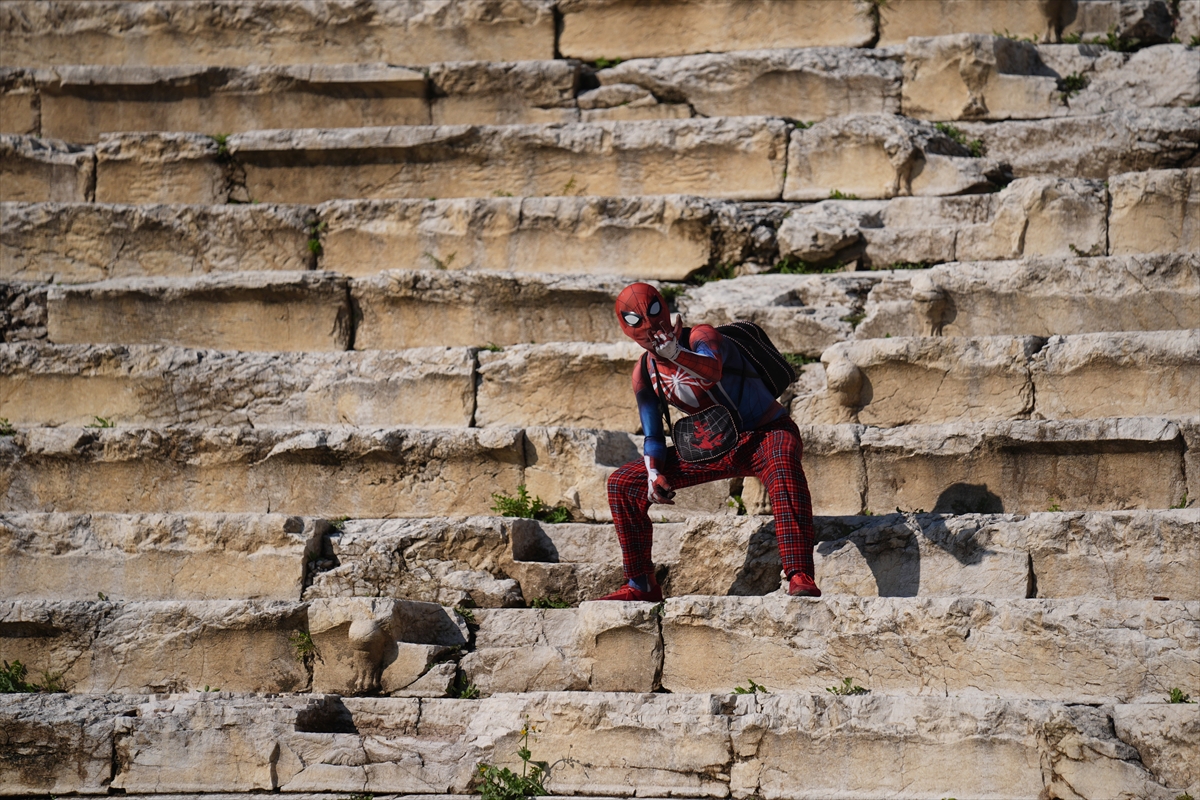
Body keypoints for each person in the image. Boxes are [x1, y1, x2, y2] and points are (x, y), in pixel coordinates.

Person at [597, 282, 822, 601]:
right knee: (623, 483)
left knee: (783, 465)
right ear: (626, 327)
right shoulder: (646, 372)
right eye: (635, 320)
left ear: (663, 306)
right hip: (715, 444)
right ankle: (641, 584)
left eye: (652, 312)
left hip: (766, 432)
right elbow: (652, 434)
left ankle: (799, 572)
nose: (648, 325)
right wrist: (653, 472)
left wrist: (676, 353)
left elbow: (712, 370)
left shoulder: (701, 336)